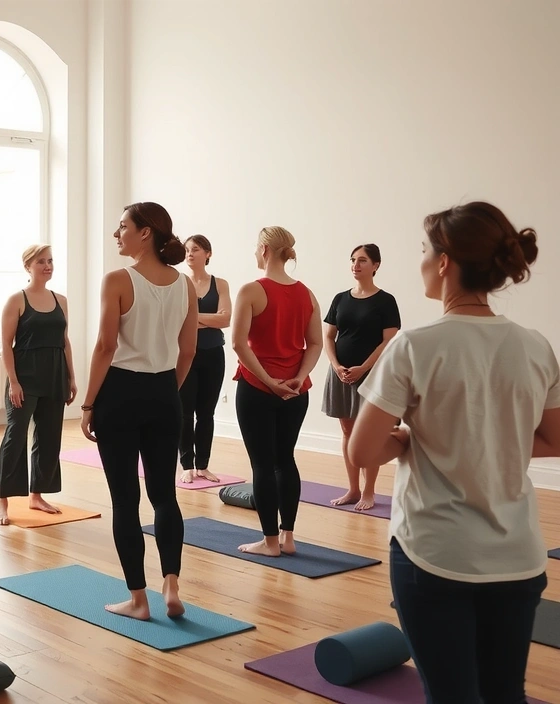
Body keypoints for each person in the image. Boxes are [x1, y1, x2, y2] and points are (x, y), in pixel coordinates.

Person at [349, 201, 555, 703]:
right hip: (519, 560)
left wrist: (415, 438)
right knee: (506, 693)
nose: (420, 260)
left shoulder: (417, 346)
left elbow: (363, 450)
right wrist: (479, 436)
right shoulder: (535, 345)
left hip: (435, 556)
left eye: (423, 250)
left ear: (444, 262)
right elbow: (553, 439)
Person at [81, 202, 197, 620]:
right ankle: (171, 584)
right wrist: (167, 391)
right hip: (166, 393)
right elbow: (188, 351)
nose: (117, 234)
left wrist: (89, 403)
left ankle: (138, 600)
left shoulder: (118, 279)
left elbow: (105, 347)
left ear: (145, 233)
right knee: (165, 496)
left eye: (123, 227)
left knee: (125, 501)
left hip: (121, 395)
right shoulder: (185, 285)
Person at [230, 226, 322, 557]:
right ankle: (288, 537)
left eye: (257, 247)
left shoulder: (251, 290)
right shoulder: (307, 294)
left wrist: (270, 382)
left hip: (257, 388)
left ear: (266, 249)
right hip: (296, 392)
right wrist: (299, 377)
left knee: (262, 464)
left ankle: (269, 542)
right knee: (285, 459)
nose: (255, 253)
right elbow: (315, 344)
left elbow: (239, 343)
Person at [0, 244, 76, 526]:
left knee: (50, 436)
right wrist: (13, 382)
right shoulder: (17, 300)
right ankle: (3, 502)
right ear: (28, 266)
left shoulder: (61, 300)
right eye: (41, 261)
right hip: (25, 377)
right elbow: (6, 343)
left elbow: (65, 341)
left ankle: (37, 495)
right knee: (15, 436)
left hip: (54, 375)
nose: (48, 266)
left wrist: (71, 377)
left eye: (50, 260)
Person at [321, 244, 401, 510]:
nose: (356, 265)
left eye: (362, 260)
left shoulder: (385, 301)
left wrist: (363, 368)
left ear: (376, 265)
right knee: (347, 430)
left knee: (370, 435)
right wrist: (335, 365)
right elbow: (329, 336)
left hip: (372, 375)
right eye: (353, 260)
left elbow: (389, 341)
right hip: (341, 373)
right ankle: (353, 489)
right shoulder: (340, 298)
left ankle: (369, 492)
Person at [179, 235, 231, 483]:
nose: (190, 254)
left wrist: (193, 319)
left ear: (207, 254)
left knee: (206, 413)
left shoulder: (220, 284)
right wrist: (208, 319)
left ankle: (203, 465)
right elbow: (174, 320)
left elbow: (226, 319)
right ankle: (187, 464)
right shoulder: (178, 282)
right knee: (185, 412)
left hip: (213, 355)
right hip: (185, 354)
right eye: (187, 250)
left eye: (196, 249)